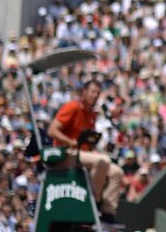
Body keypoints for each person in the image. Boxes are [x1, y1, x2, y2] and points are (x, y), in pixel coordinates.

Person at [47, 80, 124, 221]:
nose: (95, 95)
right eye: (92, 92)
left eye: (97, 93)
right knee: (103, 161)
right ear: (84, 92)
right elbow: (52, 130)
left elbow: (86, 140)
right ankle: (92, 201)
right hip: (65, 152)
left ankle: (108, 212)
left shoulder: (92, 114)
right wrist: (70, 141)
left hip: (82, 154)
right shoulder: (72, 107)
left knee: (117, 172)